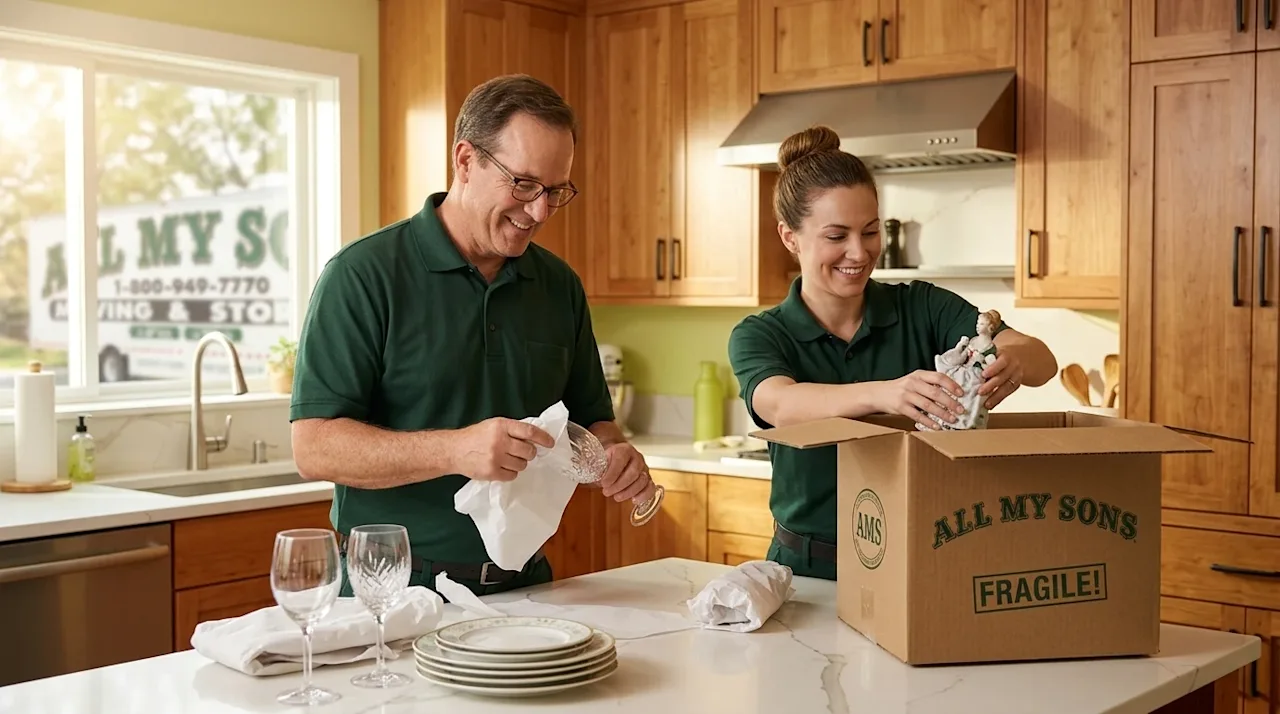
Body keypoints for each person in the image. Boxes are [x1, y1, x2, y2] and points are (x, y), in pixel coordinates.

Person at [289, 74, 656, 597]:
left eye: (556, 191)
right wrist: (454, 451)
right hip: (392, 589)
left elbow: (594, 423)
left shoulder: (558, 286)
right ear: (466, 161)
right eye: (524, 184)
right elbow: (314, 448)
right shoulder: (363, 276)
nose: (539, 212)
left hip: (525, 585)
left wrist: (616, 457)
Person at [727, 125, 1058, 581]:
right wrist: (887, 394)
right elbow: (780, 403)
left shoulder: (922, 306)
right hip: (804, 573)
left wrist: (1014, 359)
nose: (859, 253)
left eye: (870, 231)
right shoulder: (762, 334)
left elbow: (1039, 357)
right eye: (836, 236)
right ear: (790, 238)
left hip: (920, 561)